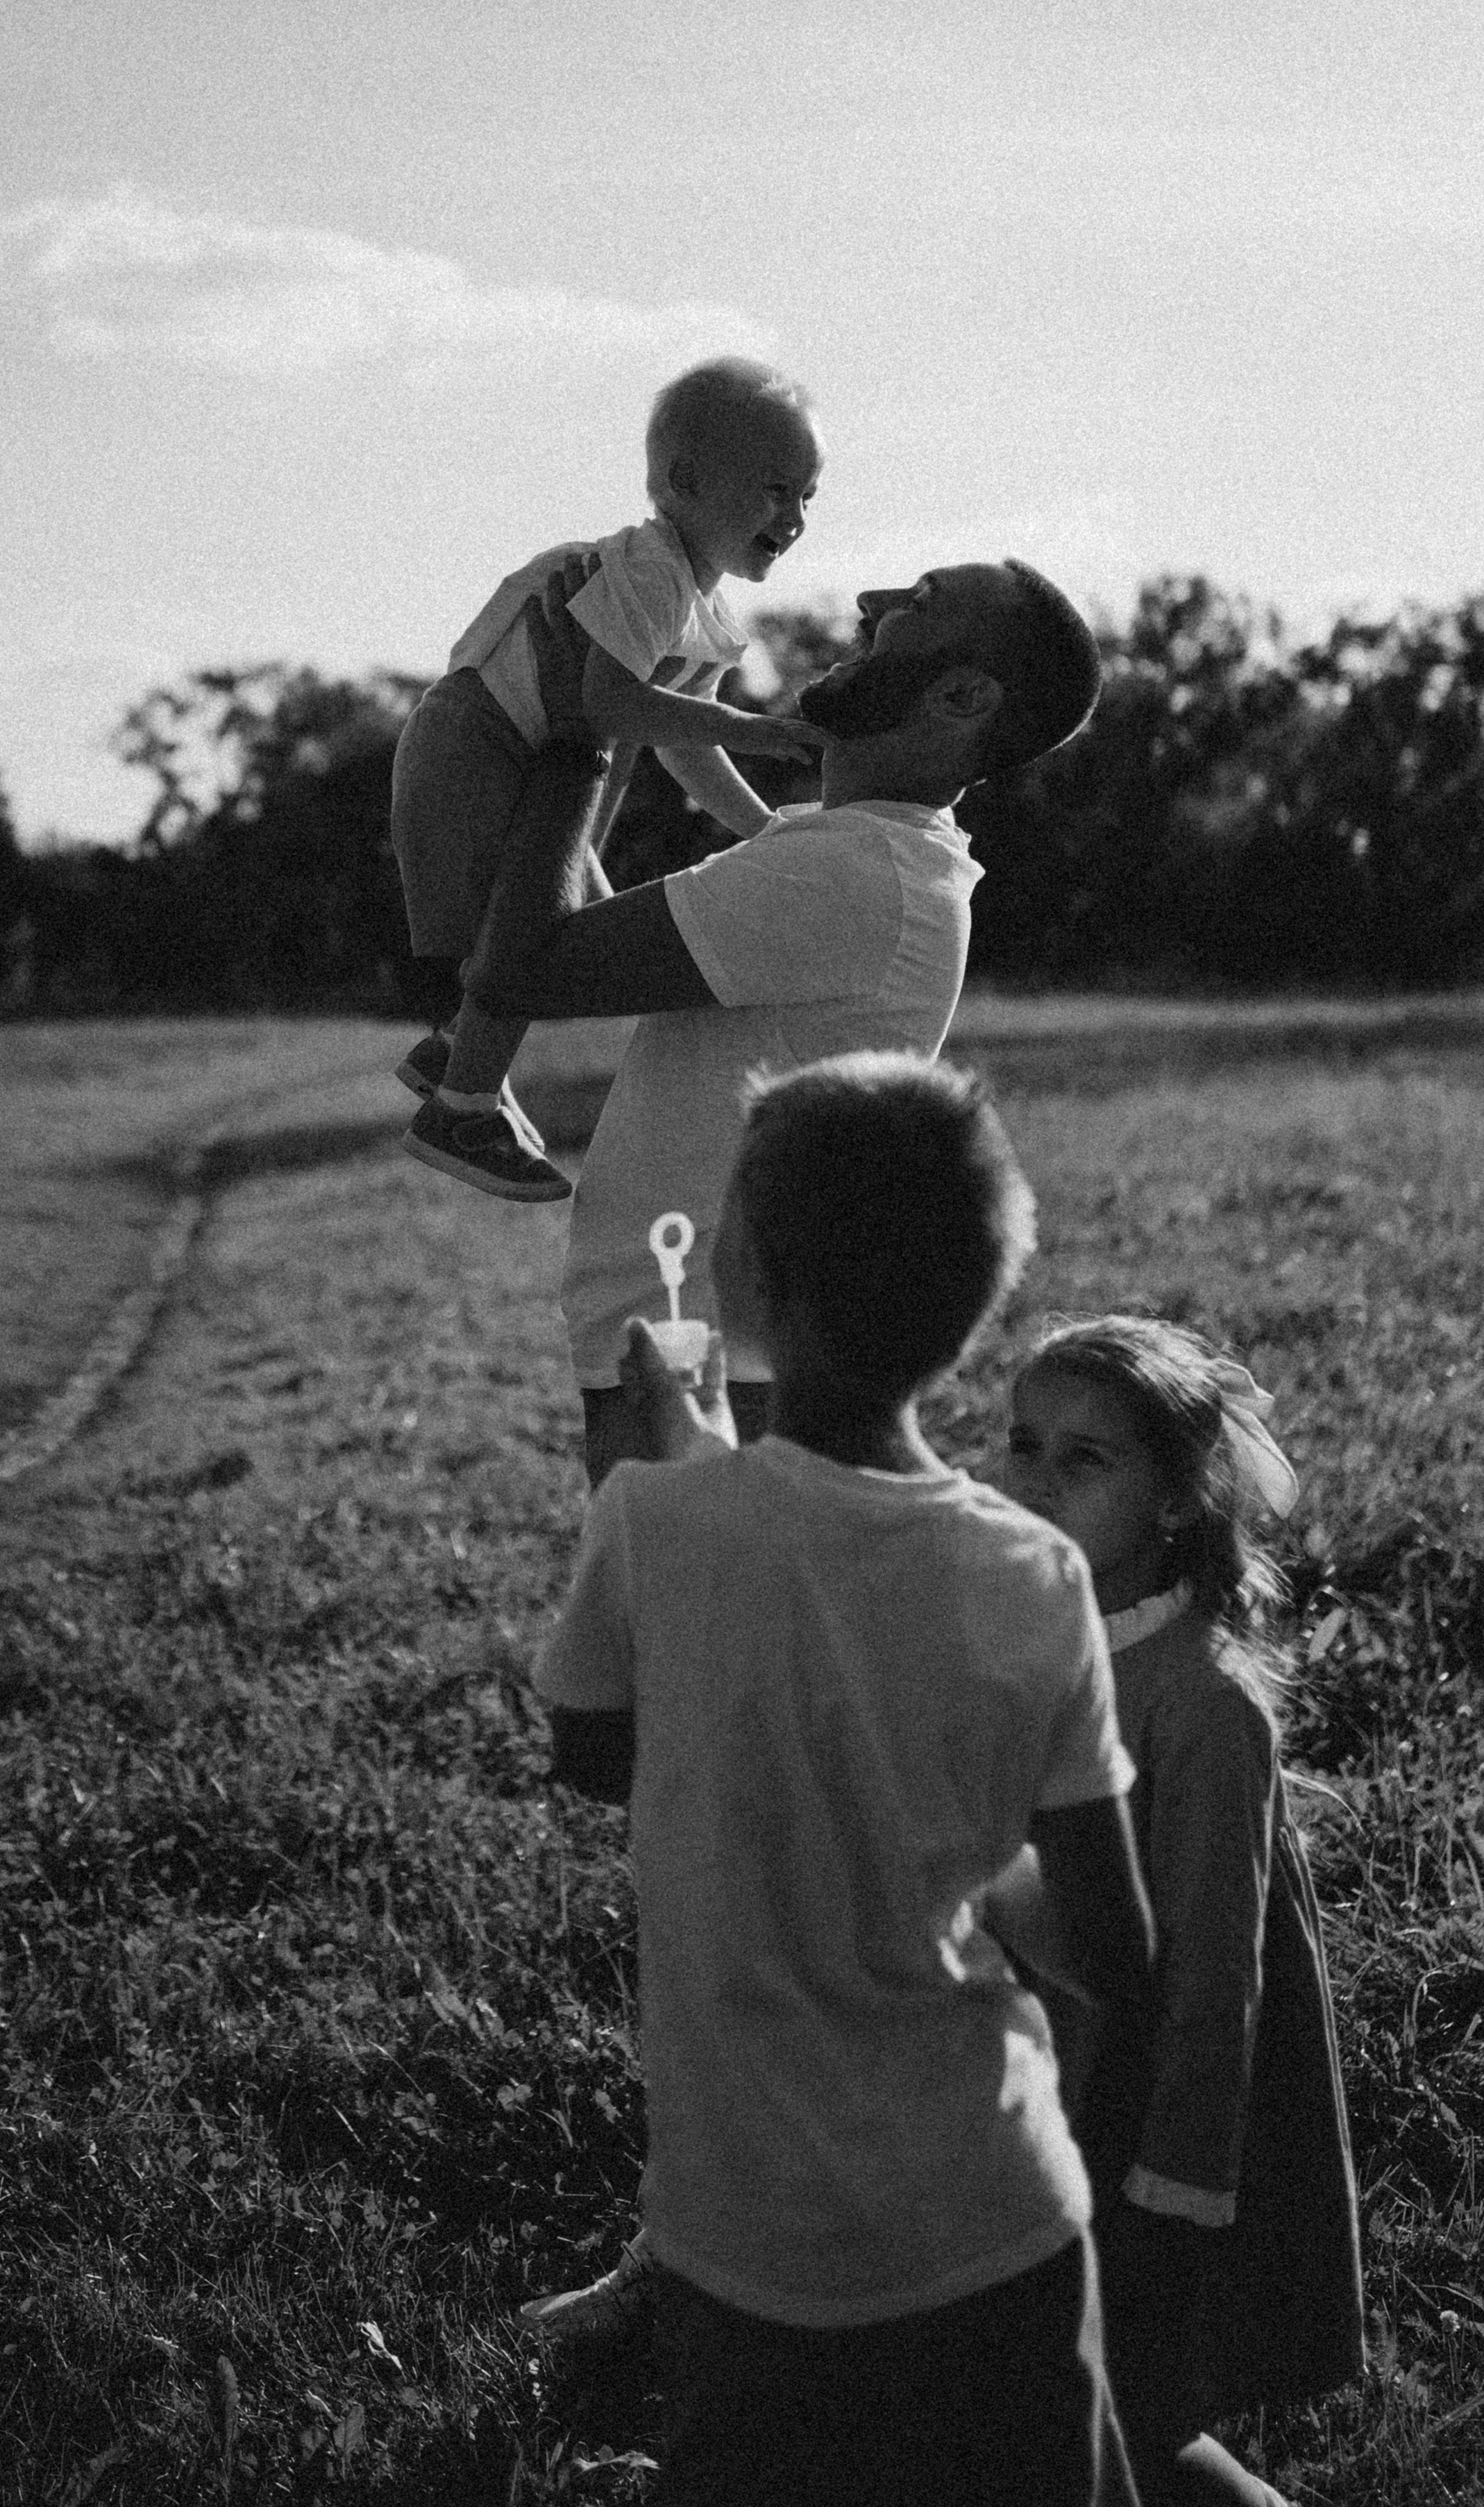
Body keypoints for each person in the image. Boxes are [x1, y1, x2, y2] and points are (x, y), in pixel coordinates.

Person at [533, 1052, 1160, 2507]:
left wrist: (682, 1469)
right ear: (974, 1305)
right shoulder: (1036, 1571)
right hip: (1001, 2214)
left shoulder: (653, 1524)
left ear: (746, 1280)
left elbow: (598, 1752)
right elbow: (1115, 1951)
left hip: (752, 2244)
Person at [466, 549, 1103, 1487]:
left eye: (920, 601)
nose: (872, 599)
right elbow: (590, 943)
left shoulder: (852, 872)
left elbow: (517, 969)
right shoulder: (856, 855)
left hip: (701, 1360)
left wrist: (584, 727)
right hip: (695, 1343)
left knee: (684, 1585)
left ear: (963, 697)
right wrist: (626, 717)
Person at [992, 1315, 1365, 2507]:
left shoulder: (1200, 1702)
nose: (1036, 1478)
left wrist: (1175, 2190)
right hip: (1041, 2066)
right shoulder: (1037, 1628)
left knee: (1126, 2406)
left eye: (1086, 1458)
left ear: (1173, 1502)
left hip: (1145, 2109)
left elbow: (1214, 1980)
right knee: (1047, 2386)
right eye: (1024, 1443)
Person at [391, 355, 827, 1202]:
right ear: (685, 482)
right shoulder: (649, 571)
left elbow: (679, 743)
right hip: (476, 741)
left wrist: (765, 830)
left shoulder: (702, 608)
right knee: (537, 933)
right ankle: (463, 1106)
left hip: (527, 757)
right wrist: (757, 731)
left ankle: (454, 1054)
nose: (795, 518)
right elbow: (611, 702)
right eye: (776, 490)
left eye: (809, 496)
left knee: (581, 932)